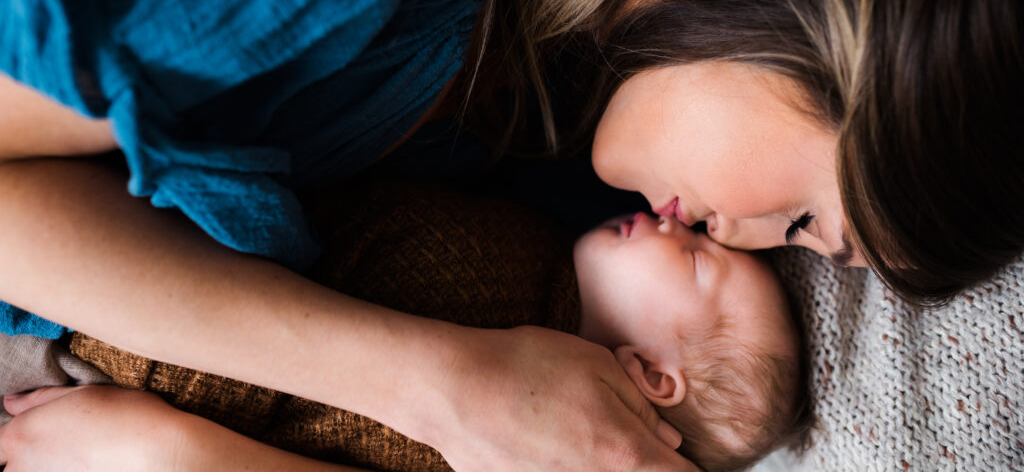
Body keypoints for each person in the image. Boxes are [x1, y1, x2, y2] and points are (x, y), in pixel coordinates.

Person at [0, 0, 1021, 469]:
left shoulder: (551, 104)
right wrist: (435, 384)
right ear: (830, 31)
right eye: (804, 221)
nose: (746, 244)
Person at [4, 181, 809, 471]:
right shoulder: (535, 250)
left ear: (653, 376)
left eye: (696, 262)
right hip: (123, 288)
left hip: (100, 351)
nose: (680, 223)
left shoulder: (511, 300)